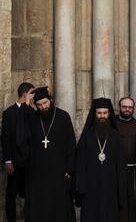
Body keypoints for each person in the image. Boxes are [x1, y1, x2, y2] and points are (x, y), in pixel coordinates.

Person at [25, 87, 76, 222]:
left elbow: (71, 143)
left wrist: (70, 167)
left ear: (51, 100)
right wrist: (25, 104)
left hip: (59, 172)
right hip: (38, 173)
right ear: (35, 105)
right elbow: (21, 135)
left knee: (59, 207)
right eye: (39, 105)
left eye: (45, 103)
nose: (43, 107)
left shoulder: (63, 116)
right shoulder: (32, 118)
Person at [74, 97, 127, 222]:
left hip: (111, 187)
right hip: (90, 188)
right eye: (99, 113)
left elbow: (120, 165)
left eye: (105, 113)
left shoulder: (115, 136)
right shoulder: (87, 136)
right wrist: (80, 188)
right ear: (94, 114)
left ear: (109, 114)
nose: (102, 116)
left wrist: (121, 191)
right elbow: (80, 164)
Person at [1, 82, 34, 222]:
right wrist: (7, 160)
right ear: (25, 94)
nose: (33, 97)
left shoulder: (31, 112)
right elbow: (6, 138)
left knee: (29, 192)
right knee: (11, 194)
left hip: (29, 161)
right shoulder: (9, 112)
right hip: (14, 161)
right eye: (32, 93)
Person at [116, 97, 136, 222]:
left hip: (133, 171)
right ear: (119, 107)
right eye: (124, 107)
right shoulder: (112, 124)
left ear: (133, 109)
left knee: (133, 202)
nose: (127, 109)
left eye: (130, 107)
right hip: (116, 171)